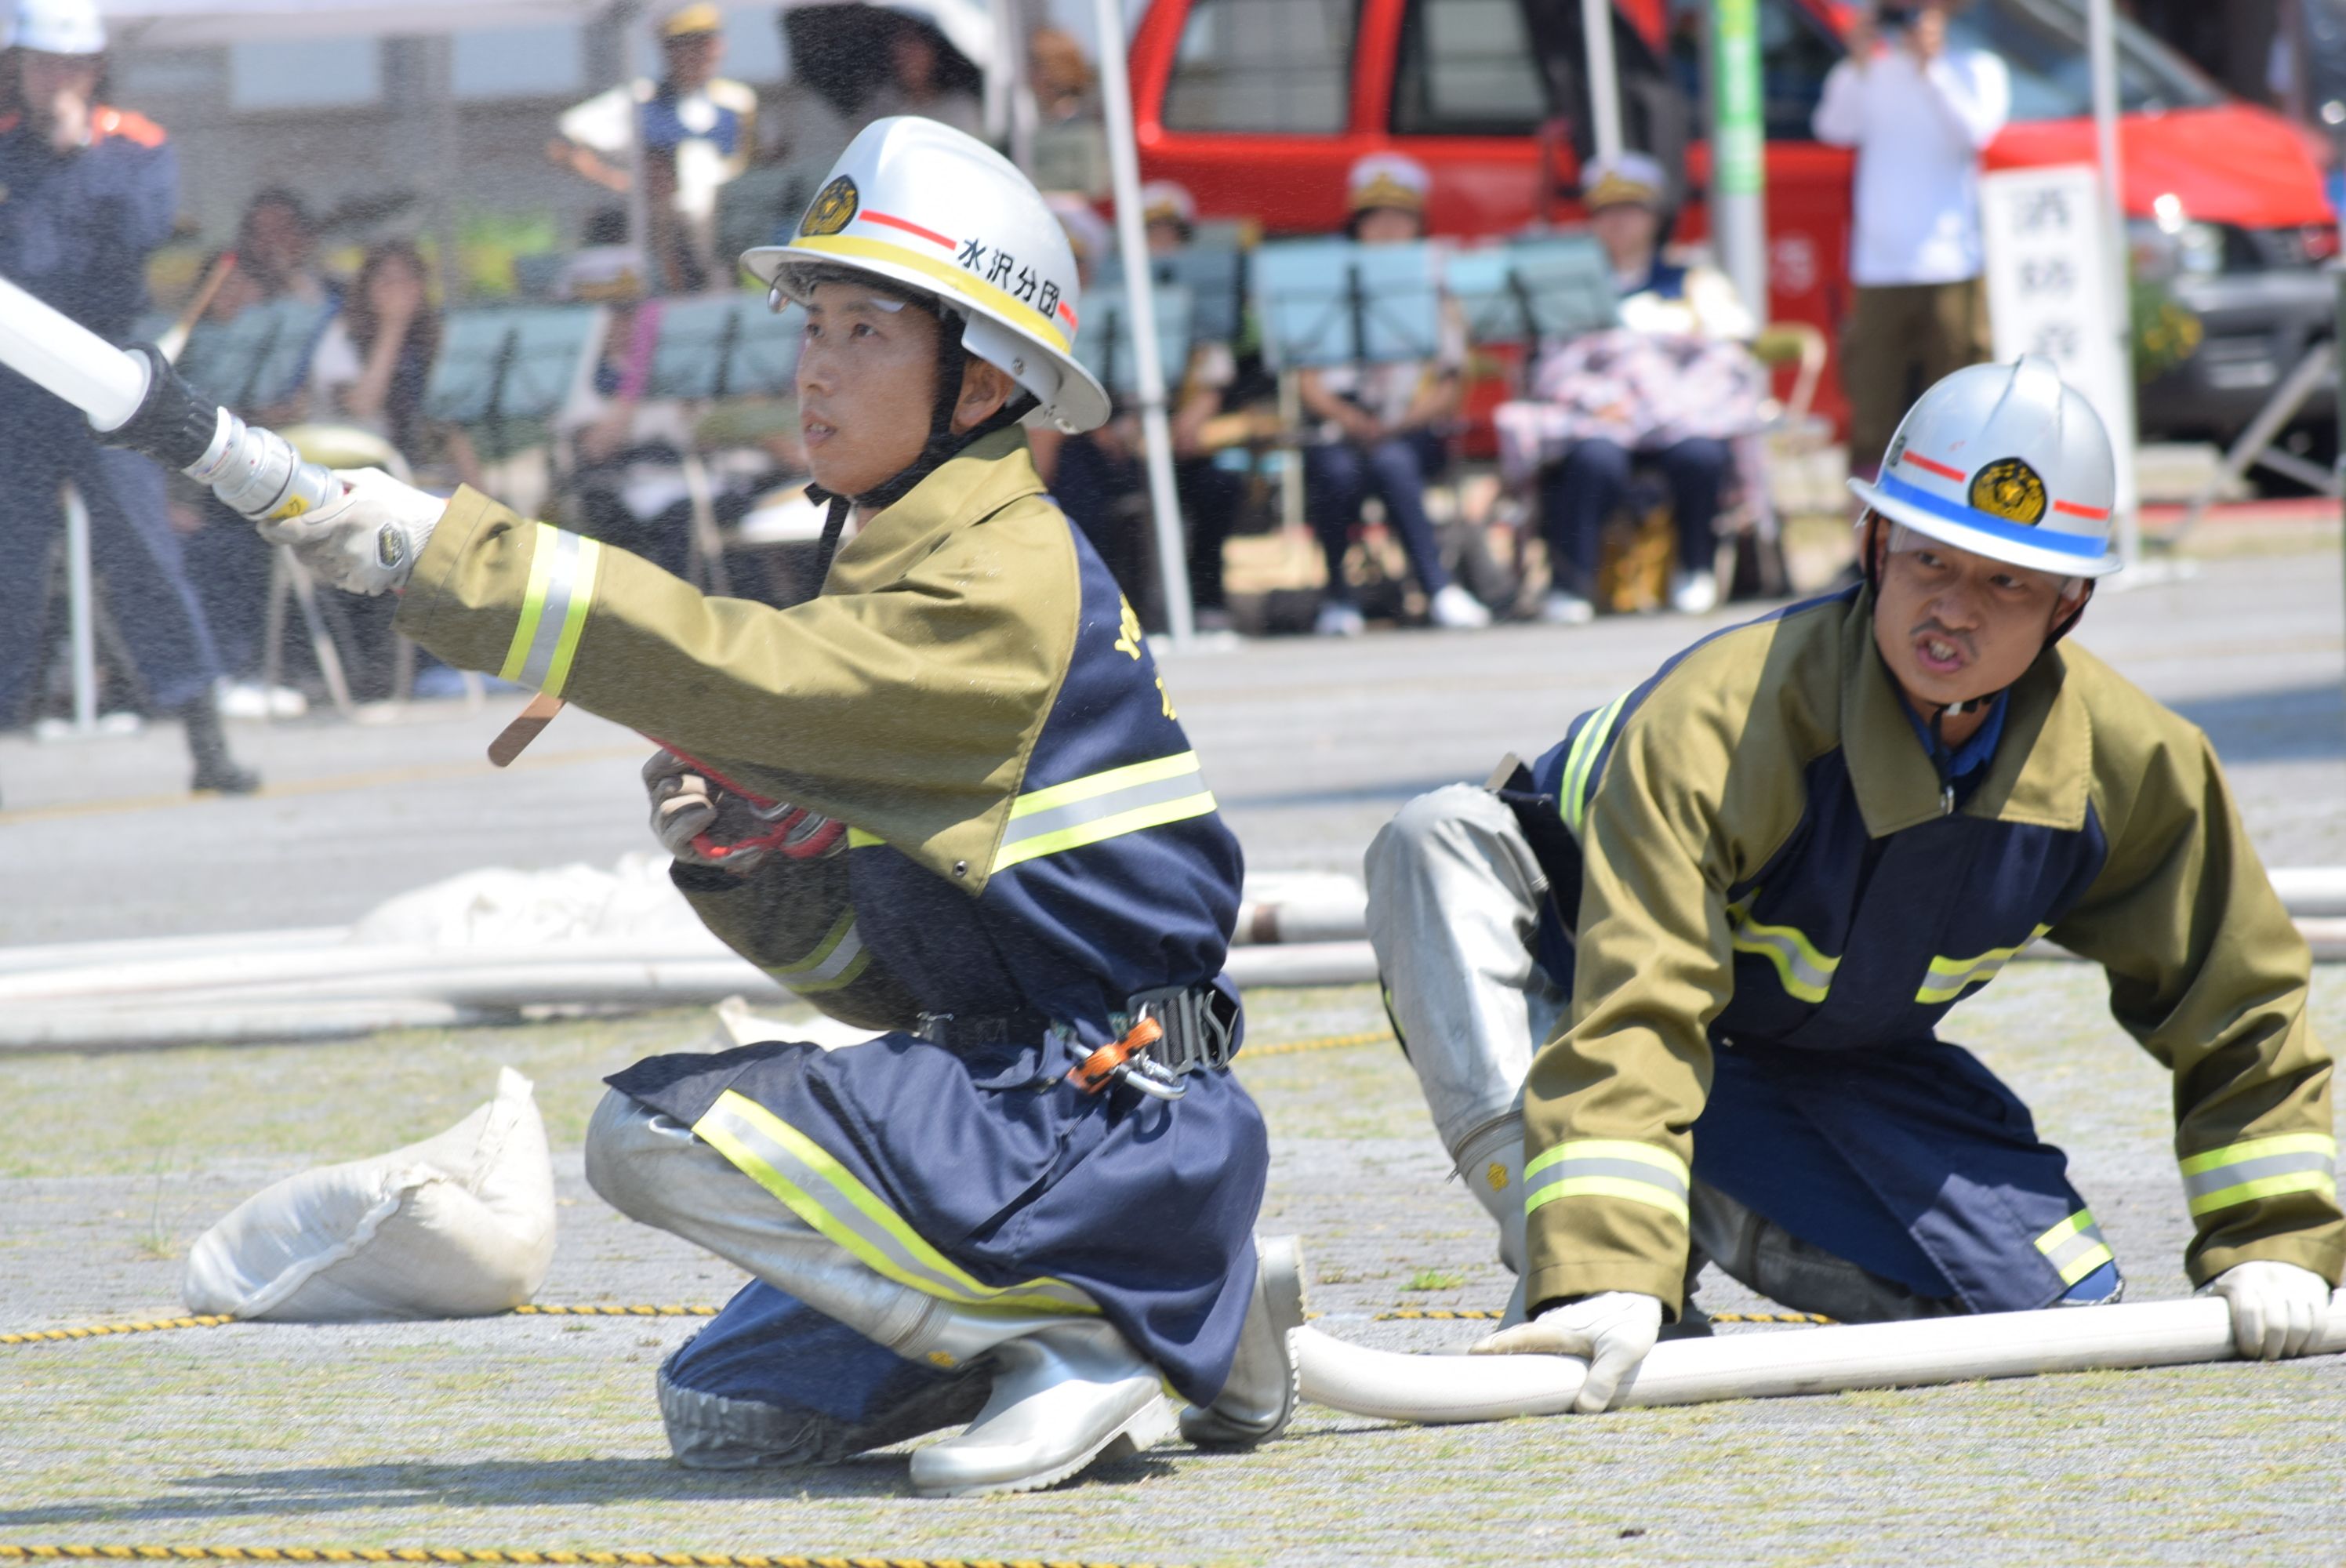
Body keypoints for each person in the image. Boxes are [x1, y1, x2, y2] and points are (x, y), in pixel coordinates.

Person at [237, 117, 1305, 1497]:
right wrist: (755, 868)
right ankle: (1188, 1309)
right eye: (813, 324)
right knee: (729, 1412)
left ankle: (1089, 1337)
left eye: (867, 332)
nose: (814, 366)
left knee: (649, 1132)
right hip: (1042, 1108)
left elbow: (747, 677)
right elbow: (895, 990)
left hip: (1099, 1121)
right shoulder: (913, 570)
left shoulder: (994, 585)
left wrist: (444, 555)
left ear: (980, 385)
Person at [1364, 355, 2341, 1413]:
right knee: (1435, 838)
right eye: (1929, 563)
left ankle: (1691, 1208)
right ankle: (1576, 1263)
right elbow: (1641, 1003)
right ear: (1874, 547)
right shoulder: (1726, 722)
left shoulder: (2134, 765)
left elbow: (2235, 1001)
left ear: (2070, 603)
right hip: (1580, 981)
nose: (1953, 612)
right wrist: (1603, 1270)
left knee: (2056, 1310)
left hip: (1815, 1054)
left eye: (2005, 581)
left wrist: (2276, 1239)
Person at [0, 0, 257, 793]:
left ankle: (206, 743)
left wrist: (75, 155)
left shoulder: (135, 147)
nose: (56, 80)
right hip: (16, 383)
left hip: (107, 375)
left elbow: (142, 236)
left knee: (144, 553)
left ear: (95, 69)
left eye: (71, 65)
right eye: (44, 64)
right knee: (9, 566)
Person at [1527, 152, 1758, 623]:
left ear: (1656, 219)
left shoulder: (1694, 282)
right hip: (1603, 420)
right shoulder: (1571, 290)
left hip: (1678, 419)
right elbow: (1553, 369)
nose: (1618, 223)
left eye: (1631, 211)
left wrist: (1675, 405)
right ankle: (1572, 584)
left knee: (1700, 456)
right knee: (1594, 460)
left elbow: (1729, 358)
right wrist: (1600, 401)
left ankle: (1694, 571)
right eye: (1606, 212)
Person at [1813, 1, 2009, 481]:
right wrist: (1857, 59)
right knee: (1874, 407)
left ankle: (1958, 520)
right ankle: (1869, 539)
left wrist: (1933, 69)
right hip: (1879, 264)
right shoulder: (1870, 72)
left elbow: (1976, 131)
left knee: (1959, 398)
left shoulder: (1975, 67)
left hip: (1952, 260)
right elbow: (1832, 128)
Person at [1298, 153, 1491, 635]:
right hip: (1343, 425)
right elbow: (1307, 381)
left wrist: (1398, 424)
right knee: (1334, 469)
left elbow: (1450, 383)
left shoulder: (1436, 288)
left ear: (1416, 225)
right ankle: (1338, 599)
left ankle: (1438, 587)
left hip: (1412, 428)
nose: (1385, 229)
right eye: (1374, 218)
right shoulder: (1324, 287)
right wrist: (1348, 417)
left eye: (1398, 219)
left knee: (1393, 462)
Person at [551, 2, 757, 296]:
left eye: (708, 42)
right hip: (664, 235)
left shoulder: (738, 101)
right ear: (668, 49)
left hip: (726, 233)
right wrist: (624, 183)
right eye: (689, 44)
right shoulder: (641, 99)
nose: (702, 53)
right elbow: (564, 144)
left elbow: (750, 162)